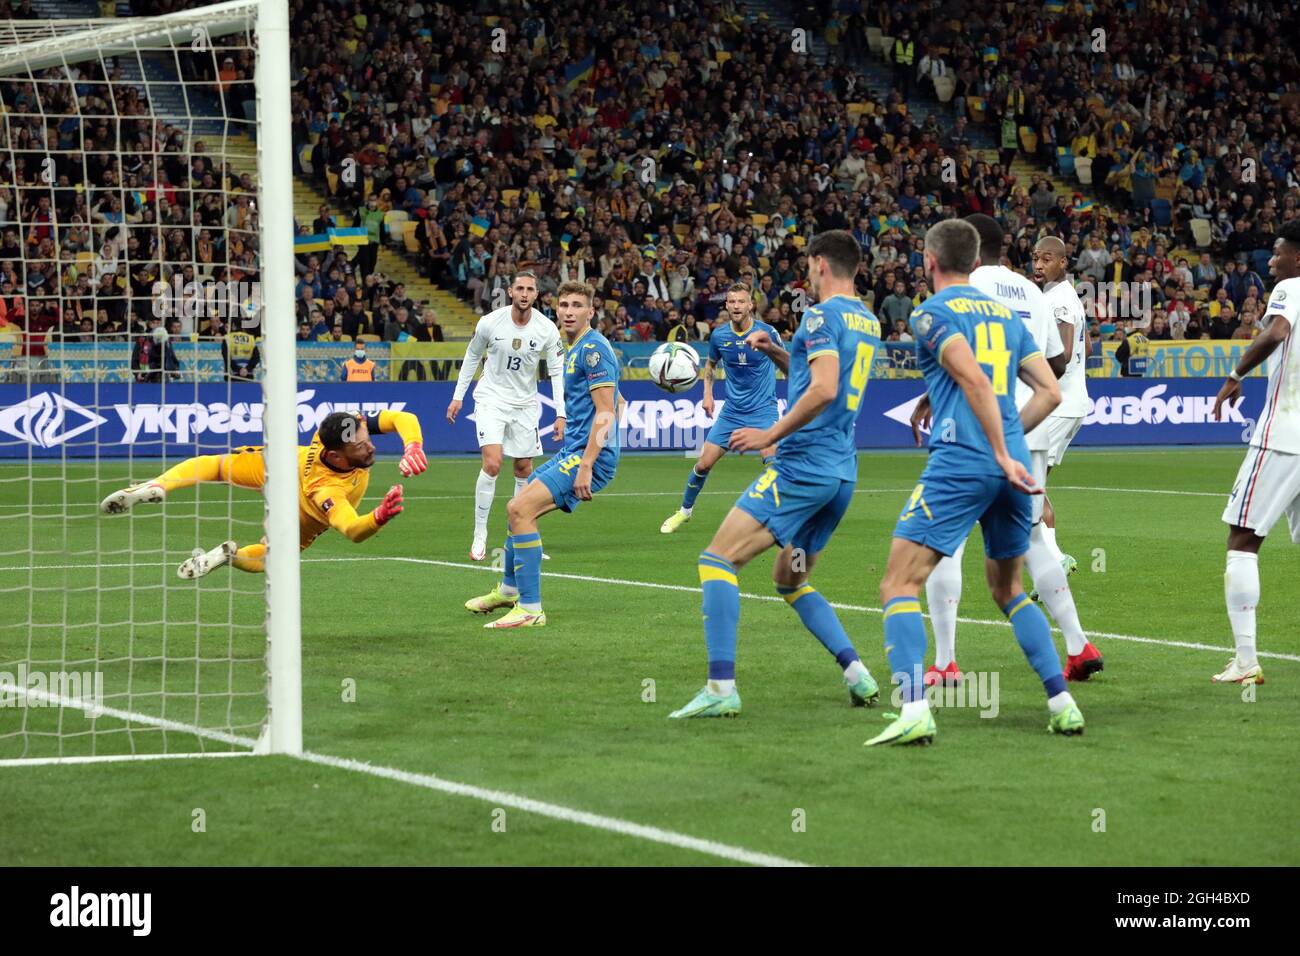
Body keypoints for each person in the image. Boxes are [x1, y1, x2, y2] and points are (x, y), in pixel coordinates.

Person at [870, 218, 1083, 747]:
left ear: (929, 261)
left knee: (898, 584)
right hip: (1012, 465)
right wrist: (1010, 445)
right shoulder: (1007, 316)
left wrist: (989, 444)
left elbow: (973, 379)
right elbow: (1050, 393)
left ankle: (915, 708)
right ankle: (1063, 703)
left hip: (962, 462)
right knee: (1009, 589)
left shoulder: (929, 314)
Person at [667, 230, 882, 719]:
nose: (806, 273)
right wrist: (777, 354)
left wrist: (769, 434)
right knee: (791, 579)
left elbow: (824, 389)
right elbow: (816, 376)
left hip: (803, 467)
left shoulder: (821, 315)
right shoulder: (865, 320)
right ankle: (858, 674)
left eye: (808, 265)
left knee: (716, 560)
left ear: (821, 264)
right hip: (841, 475)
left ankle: (721, 690)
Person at [99, 410, 427, 578]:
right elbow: (353, 530)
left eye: (367, 435)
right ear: (338, 457)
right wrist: (380, 516)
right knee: (272, 557)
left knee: (213, 466)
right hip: (300, 510)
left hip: (277, 464)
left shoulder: (335, 430)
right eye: (360, 445)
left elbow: (402, 417)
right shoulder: (328, 491)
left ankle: (158, 485)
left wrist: (412, 444)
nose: (370, 445)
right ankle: (230, 555)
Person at [463, 281, 620, 627]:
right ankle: (507, 590)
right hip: (574, 451)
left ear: (591, 312)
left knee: (519, 509)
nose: (568, 311)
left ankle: (531, 609)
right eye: (564, 304)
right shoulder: (576, 348)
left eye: (578, 305)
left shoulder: (594, 350)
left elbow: (606, 412)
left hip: (588, 457)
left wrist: (588, 464)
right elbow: (617, 402)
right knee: (517, 507)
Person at [1210, 221, 1300, 685]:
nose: (1271, 260)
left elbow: (1278, 331)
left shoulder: (1290, 288)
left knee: (1242, 539)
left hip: (1284, 435)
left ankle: (1246, 660)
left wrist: (1234, 372)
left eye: (1278, 252)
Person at [448, 270, 566, 561]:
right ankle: (479, 534)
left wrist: (560, 414)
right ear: (511, 292)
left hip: (525, 405)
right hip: (491, 399)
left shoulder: (547, 329)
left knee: (524, 468)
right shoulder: (490, 323)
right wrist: (457, 396)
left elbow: (556, 372)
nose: (525, 294)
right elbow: (472, 356)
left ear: (537, 295)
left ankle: (519, 533)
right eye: (520, 288)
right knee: (492, 463)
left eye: (530, 289)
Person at [1028, 237, 1103, 678]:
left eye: (1047, 258)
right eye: (1035, 257)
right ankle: (1053, 557)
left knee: (1024, 482)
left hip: (1058, 402)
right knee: (1035, 482)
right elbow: (1087, 349)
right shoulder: (1066, 296)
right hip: (1074, 400)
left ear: (1063, 262)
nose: (1039, 264)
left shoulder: (1056, 299)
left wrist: (1035, 376)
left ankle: (1051, 562)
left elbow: (1065, 351)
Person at [660, 282, 782, 534]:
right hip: (732, 413)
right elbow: (710, 365)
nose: (736, 306)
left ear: (751, 305)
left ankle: (778, 517)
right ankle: (684, 512)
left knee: (772, 463)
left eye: (741, 301)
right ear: (726, 305)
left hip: (763, 410)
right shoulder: (719, 336)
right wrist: (707, 394)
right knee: (703, 465)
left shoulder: (767, 333)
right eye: (732, 301)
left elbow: (785, 361)